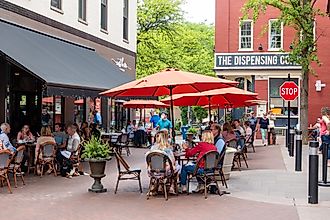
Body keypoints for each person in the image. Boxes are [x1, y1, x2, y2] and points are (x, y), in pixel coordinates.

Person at [146, 129, 180, 195]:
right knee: (177, 166)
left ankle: (157, 186)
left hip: (153, 172)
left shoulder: (152, 148)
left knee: (169, 166)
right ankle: (172, 186)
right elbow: (172, 162)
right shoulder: (167, 149)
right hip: (165, 172)